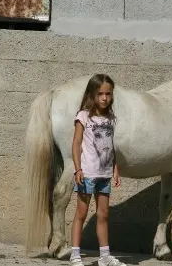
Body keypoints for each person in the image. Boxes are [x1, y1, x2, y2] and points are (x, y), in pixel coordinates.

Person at [70, 74, 126, 266]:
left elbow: (112, 146)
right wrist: (78, 170)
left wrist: (116, 169)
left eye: (108, 94)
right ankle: (75, 255)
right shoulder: (83, 116)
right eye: (100, 93)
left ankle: (104, 257)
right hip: (87, 174)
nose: (104, 98)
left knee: (103, 215)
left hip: (104, 175)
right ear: (91, 94)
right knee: (81, 214)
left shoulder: (111, 118)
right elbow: (76, 143)